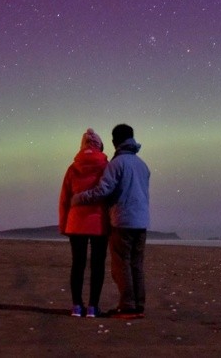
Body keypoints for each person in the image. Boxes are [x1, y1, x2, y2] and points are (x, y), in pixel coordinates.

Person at [72, 123, 150, 319]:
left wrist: (80, 197)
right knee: (136, 264)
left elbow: (103, 190)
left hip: (123, 220)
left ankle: (128, 306)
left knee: (121, 264)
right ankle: (139, 305)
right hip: (142, 221)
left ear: (116, 141)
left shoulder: (117, 164)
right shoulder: (142, 165)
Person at [58, 128, 109, 318]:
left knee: (77, 264)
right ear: (99, 146)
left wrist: (64, 224)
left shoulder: (73, 168)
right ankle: (93, 307)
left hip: (76, 222)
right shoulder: (106, 166)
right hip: (99, 222)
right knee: (97, 265)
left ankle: (77, 306)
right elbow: (109, 192)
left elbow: (64, 198)